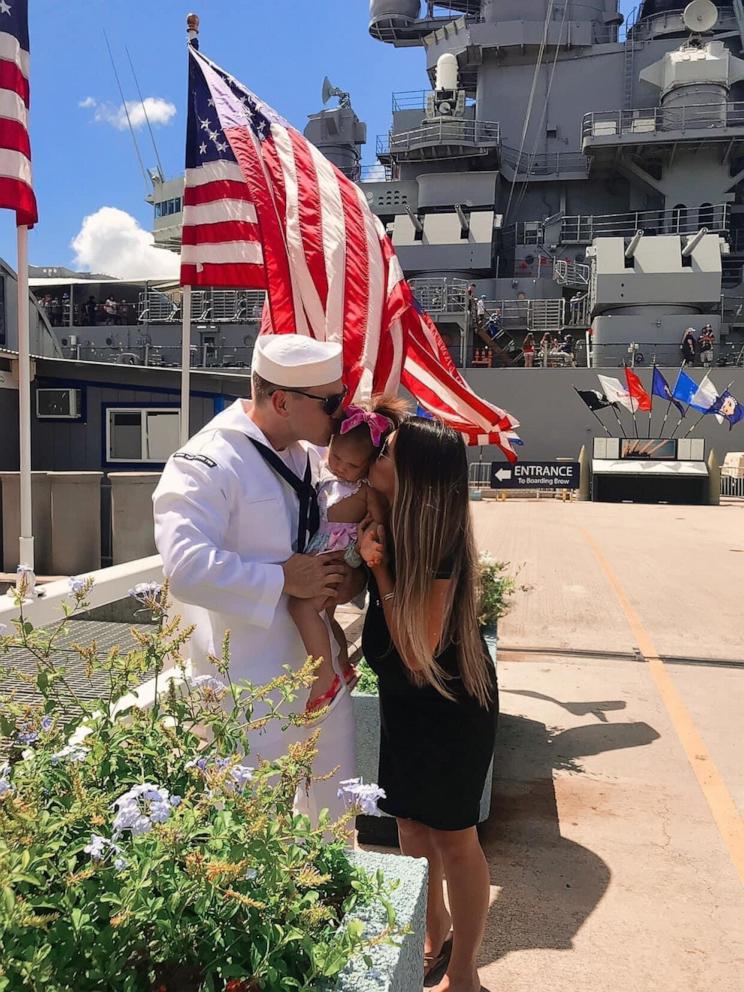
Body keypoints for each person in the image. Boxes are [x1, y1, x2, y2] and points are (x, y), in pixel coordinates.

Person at [152, 334, 366, 820]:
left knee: (337, 821)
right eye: (332, 401)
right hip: (249, 694)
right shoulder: (207, 462)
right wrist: (283, 579)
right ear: (282, 400)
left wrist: (346, 581)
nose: (341, 414)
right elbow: (184, 567)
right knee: (254, 849)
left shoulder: (307, 455)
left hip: (319, 678)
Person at [359, 417, 498, 992]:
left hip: (450, 706)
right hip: (406, 703)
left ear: (412, 474)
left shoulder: (434, 541)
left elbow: (417, 653)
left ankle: (463, 971)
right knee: (410, 825)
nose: (376, 453)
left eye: (386, 450)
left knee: (455, 840)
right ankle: (432, 924)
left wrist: (379, 570)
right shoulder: (390, 515)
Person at [288, 399, 403, 714]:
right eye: (336, 456)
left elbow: (381, 525)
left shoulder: (366, 490)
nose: (340, 466)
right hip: (321, 551)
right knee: (325, 615)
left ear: (367, 466)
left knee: (302, 607)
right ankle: (342, 664)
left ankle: (325, 677)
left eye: (352, 466)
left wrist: (369, 545)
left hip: (341, 556)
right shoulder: (321, 473)